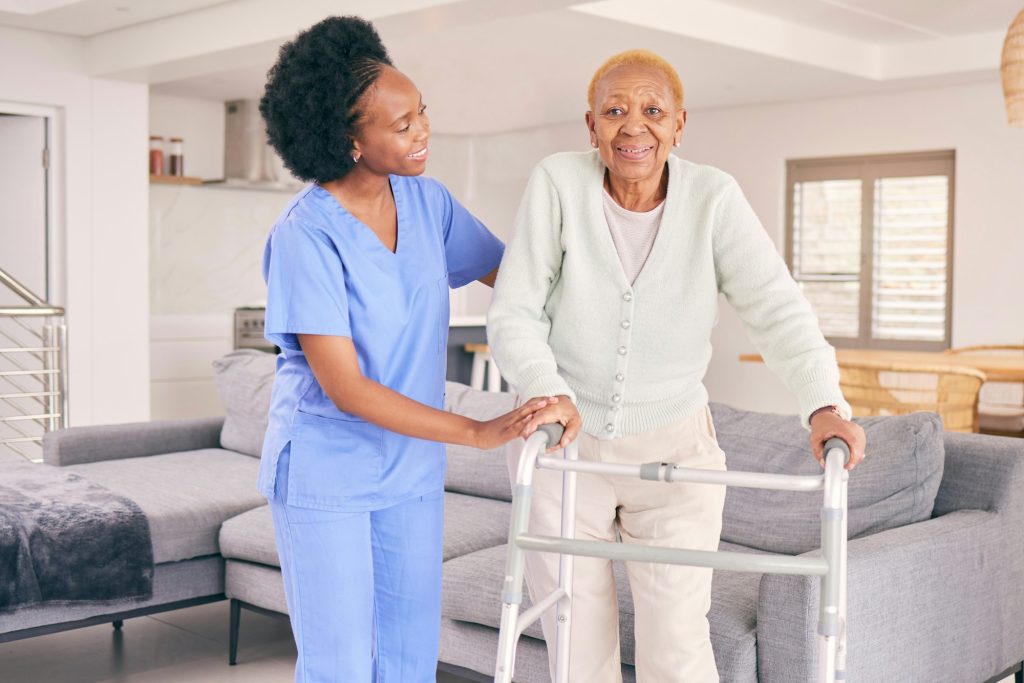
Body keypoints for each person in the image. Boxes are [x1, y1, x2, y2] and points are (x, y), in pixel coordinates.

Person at [487, 49, 867, 682]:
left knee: (678, 640)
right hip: (563, 444)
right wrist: (548, 392)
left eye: (652, 111)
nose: (633, 127)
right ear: (592, 127)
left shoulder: (713, 199)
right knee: (573, 636)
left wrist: (824, 403)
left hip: (676, 449)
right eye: (615, 111)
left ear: (679, 125)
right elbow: (514, 311)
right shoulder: (557, 182)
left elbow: (778, 310)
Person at [257, 16, 555, 683]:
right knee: (339, 663)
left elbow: (520, 277)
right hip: (326, 466)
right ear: (349, 139)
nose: (422, 131)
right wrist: (475, 430)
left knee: (410, 654)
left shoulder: (431, 206)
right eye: (401, 125)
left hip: (411, 466)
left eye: (422, 113)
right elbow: (346, 387)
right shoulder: (307, 235)